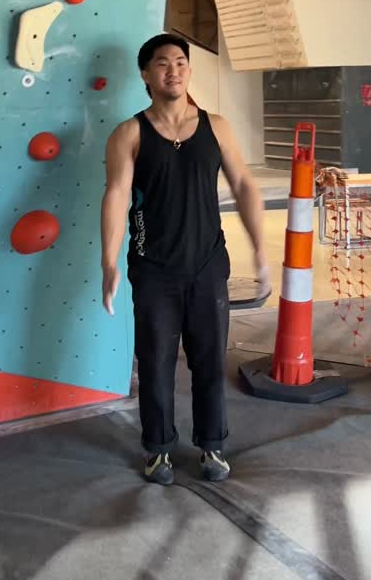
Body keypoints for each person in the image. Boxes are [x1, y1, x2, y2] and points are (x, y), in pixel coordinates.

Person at [100, 33, 269, 486]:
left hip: (207, 264)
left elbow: (244, 185)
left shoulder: (217, 126)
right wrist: (109, 264)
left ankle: (212, 444)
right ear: (145, 74)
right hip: (153, 267)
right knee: (155, 361)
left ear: (189, 71)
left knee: (209, 359)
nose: (173, 70)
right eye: (162, 63)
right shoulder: (129, 133)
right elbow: (116, 196)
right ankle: (158, 450)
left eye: (180, 61)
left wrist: (259, 247)